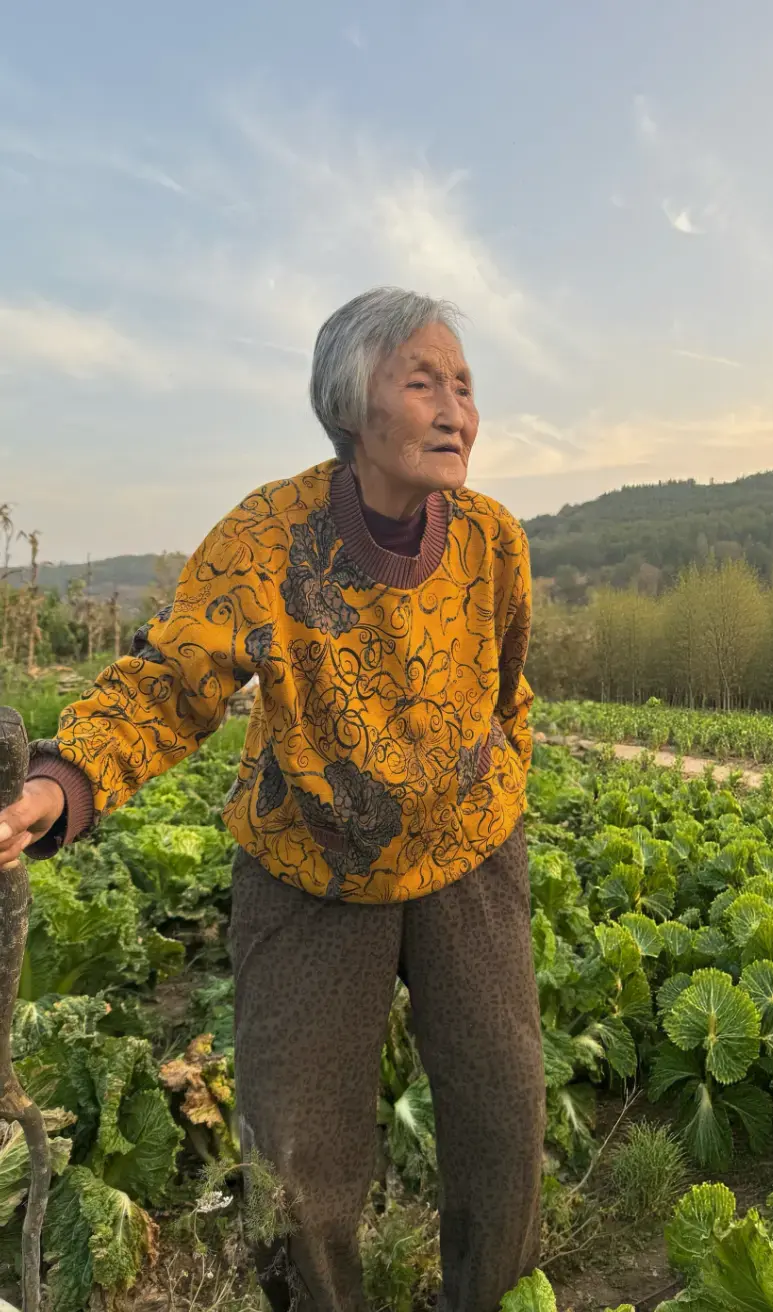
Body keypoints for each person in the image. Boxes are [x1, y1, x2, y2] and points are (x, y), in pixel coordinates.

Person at [0, 287, 545, 1312]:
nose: (455, 411)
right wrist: (60, 781)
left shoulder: (493, 542)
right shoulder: (266, 536)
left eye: (465, 386)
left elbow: (508, 686)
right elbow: (170, 682)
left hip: (467, 854)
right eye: (423, 383)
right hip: (307, 863)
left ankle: (486, 1298)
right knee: (294, 1154)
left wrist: (498, 769)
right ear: (351, 408)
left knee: (504, 1116)